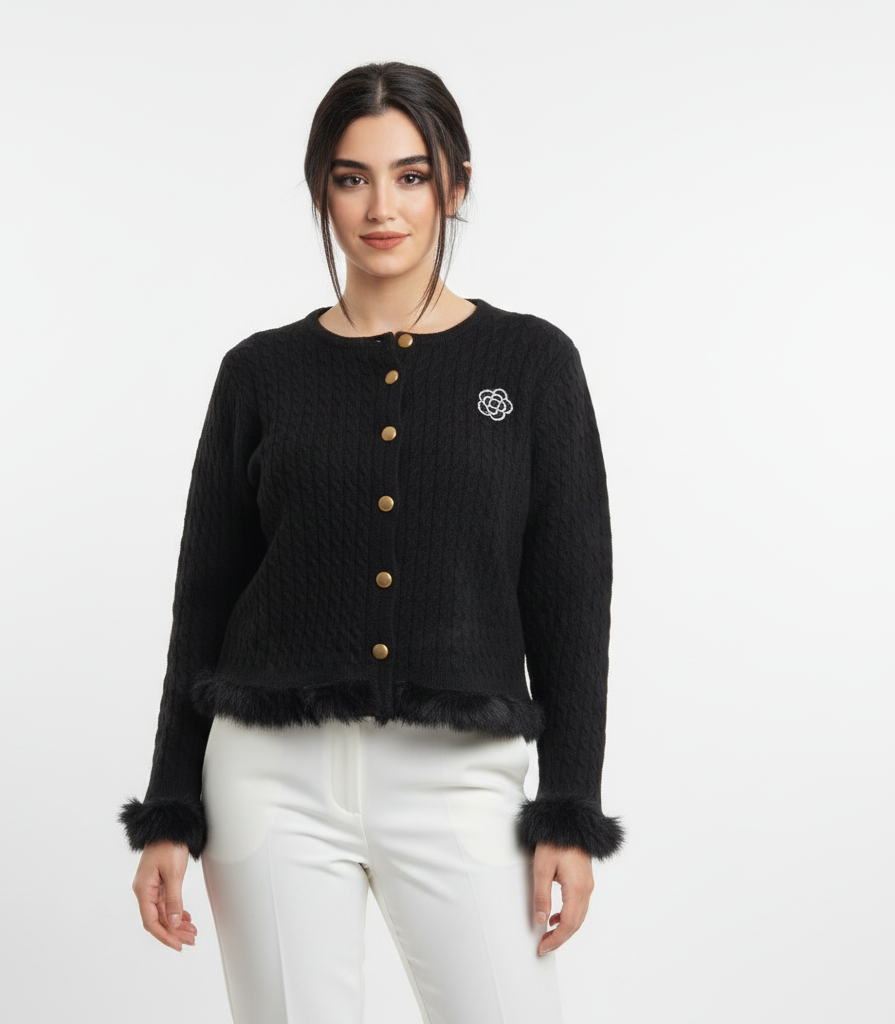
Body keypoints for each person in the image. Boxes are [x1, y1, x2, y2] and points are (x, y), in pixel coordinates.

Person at [118, 60, 625, 1024]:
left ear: (456, 186)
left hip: (459, 780)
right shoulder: (260, 373)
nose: (381, 207)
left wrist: (570, 805)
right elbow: (205, 596)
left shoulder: (531, 364)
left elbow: (571, 595)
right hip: (268, 780)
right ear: (322, 190)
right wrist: (170, 806)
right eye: (352, 178)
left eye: (411, 175)